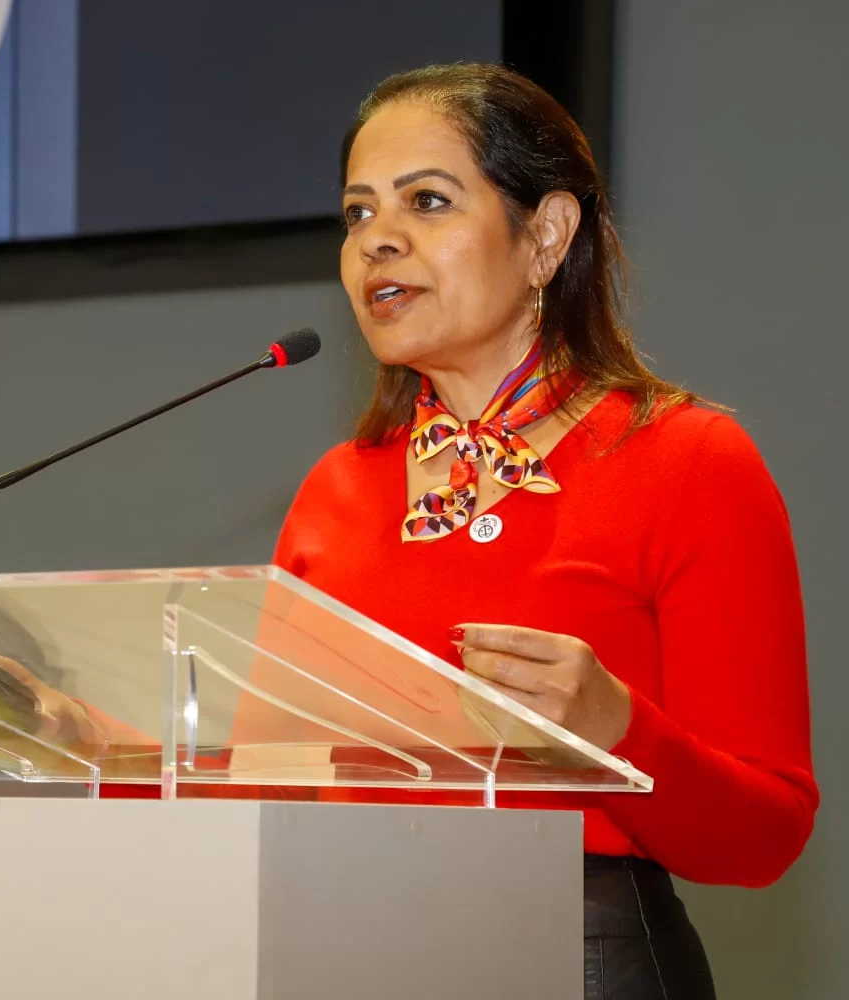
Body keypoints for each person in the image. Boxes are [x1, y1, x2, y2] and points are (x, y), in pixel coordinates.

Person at [270, 63, 818, 999]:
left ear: (547, 236)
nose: (376, 241)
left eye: (427, 202)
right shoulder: (339, 490)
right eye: (358, 213)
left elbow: (764, 836)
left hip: (582, 964)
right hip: (351, 955)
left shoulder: (689, 461)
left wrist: (618, 732)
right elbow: (260, 781)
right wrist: (71, 732)